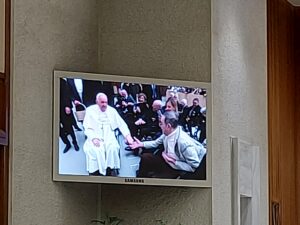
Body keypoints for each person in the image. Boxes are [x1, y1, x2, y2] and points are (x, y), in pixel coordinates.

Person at [128, 111, 206, 179]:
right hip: (166, 160)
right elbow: (155, 143)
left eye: (161, 123)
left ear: (168, 126)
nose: (159, 125)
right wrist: (141, 144)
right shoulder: (167, 133)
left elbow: (194, 166)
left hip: (176, 167)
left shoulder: (184, 143)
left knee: (155, 178)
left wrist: (174, 162)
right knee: (145, 157)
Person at [83, 93, 134, 176]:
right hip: (95, 134)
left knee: (113, 148)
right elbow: (87, 127)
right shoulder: (90, 110)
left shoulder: (112, 110)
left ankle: (109, 169)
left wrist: (128, 136)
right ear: (97, 102)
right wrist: (93, 138)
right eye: (102, 102)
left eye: (106, 102)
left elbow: (121, 124)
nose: (105, 105)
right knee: (97, 150)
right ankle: (97, 171)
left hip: (109, 134)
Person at [59, 78, 80, 153]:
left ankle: (75, 142)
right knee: (59, 130)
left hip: (63, 107)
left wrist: (68, 106)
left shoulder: (63, 82)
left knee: (68, 126)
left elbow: (66, 94)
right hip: (54, 108)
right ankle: (67, 144)